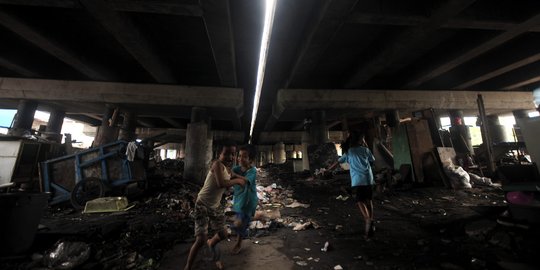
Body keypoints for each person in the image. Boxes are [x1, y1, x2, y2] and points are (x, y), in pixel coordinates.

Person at [184, 142, 246, 270]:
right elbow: (220, 183)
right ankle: (188, 267)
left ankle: (211, 244)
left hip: (215, 206)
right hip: (202, 204)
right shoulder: (217, 164)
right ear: (219, 154)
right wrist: (238, 181)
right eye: (226, 154)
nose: (230, 157)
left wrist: (245, 179)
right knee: (200, 240)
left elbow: (236, 177)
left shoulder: (229, 169)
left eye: (233, 154)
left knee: (223, 234)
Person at [328, 130, 376, 239]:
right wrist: (365, 145)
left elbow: (338, 162)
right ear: (360, 140)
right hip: (368, 179)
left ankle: (367, 219)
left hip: (357, 180)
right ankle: (371, 220)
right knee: (369, 200)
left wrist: (327, 169)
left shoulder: (349, 152)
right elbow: (372, 160)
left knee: (360, 201)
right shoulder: (365, 150)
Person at [230, 144, 258, 254]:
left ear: (250, 159)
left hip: (248, 201)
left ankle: (238, 243)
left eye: (244, 157)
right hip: (239, 200)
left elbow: (246, 180)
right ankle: (253, 220)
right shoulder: (236, 168)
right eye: (239, 155)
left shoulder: (253, 171)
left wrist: (234, 175)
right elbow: (229, 175)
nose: (240, 159)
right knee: (240, 221)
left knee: (240, 223)